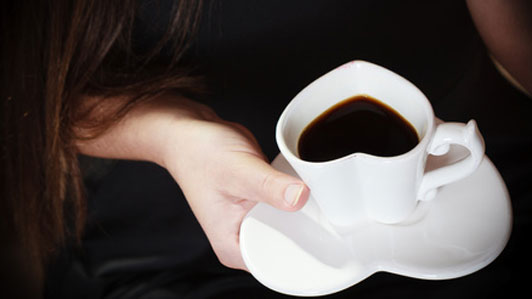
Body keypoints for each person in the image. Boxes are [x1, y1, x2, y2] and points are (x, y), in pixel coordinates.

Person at [1, 0, 530, 298]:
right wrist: (175, 135)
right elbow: (28, 85)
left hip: (459, 174)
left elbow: (514, 39)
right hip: (195, 226)